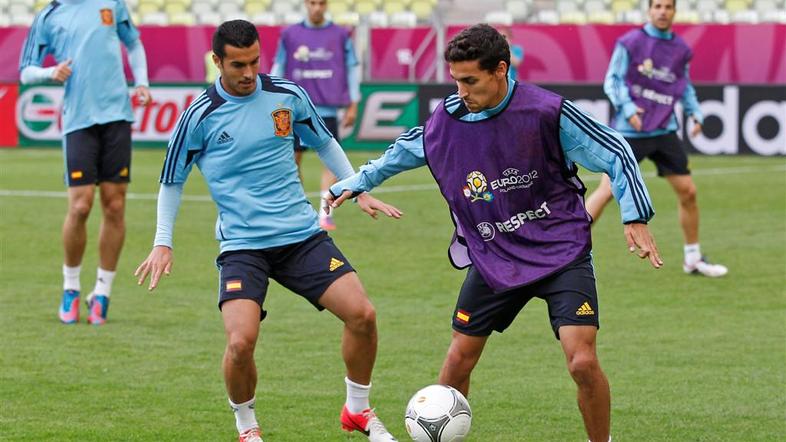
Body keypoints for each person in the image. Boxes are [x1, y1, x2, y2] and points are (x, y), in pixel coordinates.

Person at [329, 24, 663, 442]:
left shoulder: (545, 110)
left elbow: (615, 149)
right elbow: (403, 150)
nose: (461, 91)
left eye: (470, 80)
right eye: (455, 80)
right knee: (458, 362)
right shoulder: (446, 121)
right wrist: (357, 181)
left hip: (561, 251)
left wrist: (634, 217)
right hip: (495, 256)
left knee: (581, 362)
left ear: (500, 69)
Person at [134, 20, 399, 442]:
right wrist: (162, 242)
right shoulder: (198, 116)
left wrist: (356, 186)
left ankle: (358, 410)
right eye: (237, 64)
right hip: (243, 247)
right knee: (241, 342)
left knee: (363, 315)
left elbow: (325, 142)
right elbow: (171, 181)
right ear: (216, 61)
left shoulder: (286, 96)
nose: (248, 73)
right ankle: (247, 428)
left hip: (301, 237)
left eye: (254, 61)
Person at [19, 0, 152, 325]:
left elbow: (133, 41)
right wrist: (50, 72)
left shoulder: (112, 4)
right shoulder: (49, 15)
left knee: (115, 205)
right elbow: (25, 71)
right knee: (80, 206)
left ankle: (102, 293)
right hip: (79, 120)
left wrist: (142, 80)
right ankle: (71, 288)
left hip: (117, 115)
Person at [584, 0, 727, 278]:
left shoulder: (681, 49)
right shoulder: (631, 42)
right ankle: (563, 251)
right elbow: (612, 80)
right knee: (606, 192)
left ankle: (693, 259)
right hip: (630, 131)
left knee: (689, 191)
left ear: (675, 11)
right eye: (658, 5)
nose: (662, 11)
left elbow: (682, 86)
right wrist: (627, 109)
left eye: (668, 6)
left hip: (663, 130)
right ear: (649, 10)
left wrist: (694, 113)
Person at [271, 0, 361, 231]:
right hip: (294, 108)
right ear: (305, 4)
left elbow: (352, 68)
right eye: (312, 3)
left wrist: (353, 103)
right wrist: (271, 96)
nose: (317, 8)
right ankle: (299, 212)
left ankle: (324, 213)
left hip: (327, 108)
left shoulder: (340, 34)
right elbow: (278, 66)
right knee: (291, 161)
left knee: (330, 162)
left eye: (321, 3)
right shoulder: (290, 34)